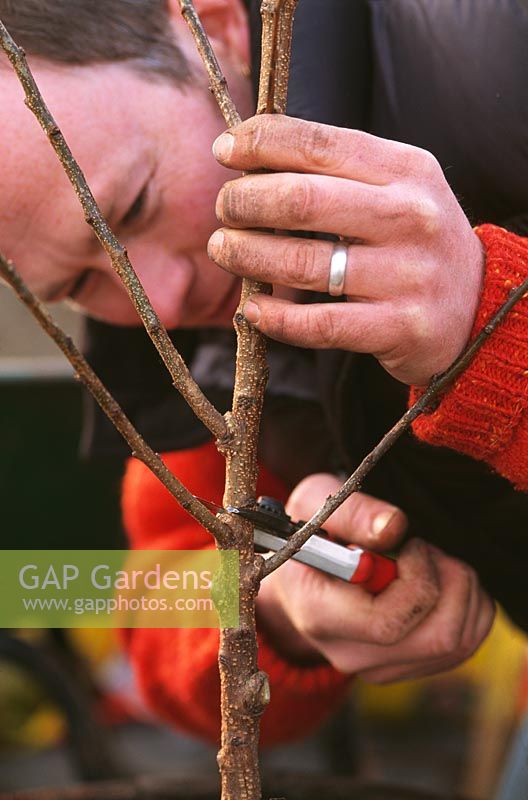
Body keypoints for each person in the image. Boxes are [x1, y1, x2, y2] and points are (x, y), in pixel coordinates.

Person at [0, 0, 527, 746]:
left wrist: (489, 324)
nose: (163, 298)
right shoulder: (181, 334)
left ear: (213, 33)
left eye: (137, 205)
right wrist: (274, 603)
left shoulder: (500, 43)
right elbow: (157, 602)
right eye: (79, 285)